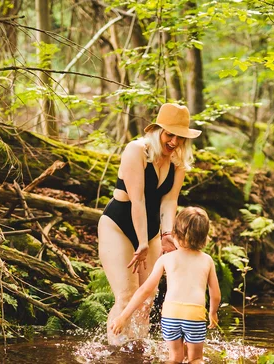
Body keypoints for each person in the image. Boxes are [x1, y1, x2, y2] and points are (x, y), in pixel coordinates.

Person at [98, 103, 201, 345]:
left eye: (180, 137)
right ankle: (116, 353)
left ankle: (137, 351)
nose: (174, 141)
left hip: (152, 230)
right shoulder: (136, 150)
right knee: (126, 296)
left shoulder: (178, 162)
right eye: (170, 134)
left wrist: (167, 235)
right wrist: (142, 242)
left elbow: (169, 200)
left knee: (148, 298)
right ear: (157, 131)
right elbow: (138, 199)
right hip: (119, 226)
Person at [110, 207, 221, 364]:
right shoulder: (207, 260)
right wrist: (213, 313)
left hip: (170, 314)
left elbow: (144, 290)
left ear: (174, 234)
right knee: (196, 358)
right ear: (205, 238)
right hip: (194, 314)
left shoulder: (166, 259)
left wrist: (123, 317)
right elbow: (215, 294)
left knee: (175, 358)